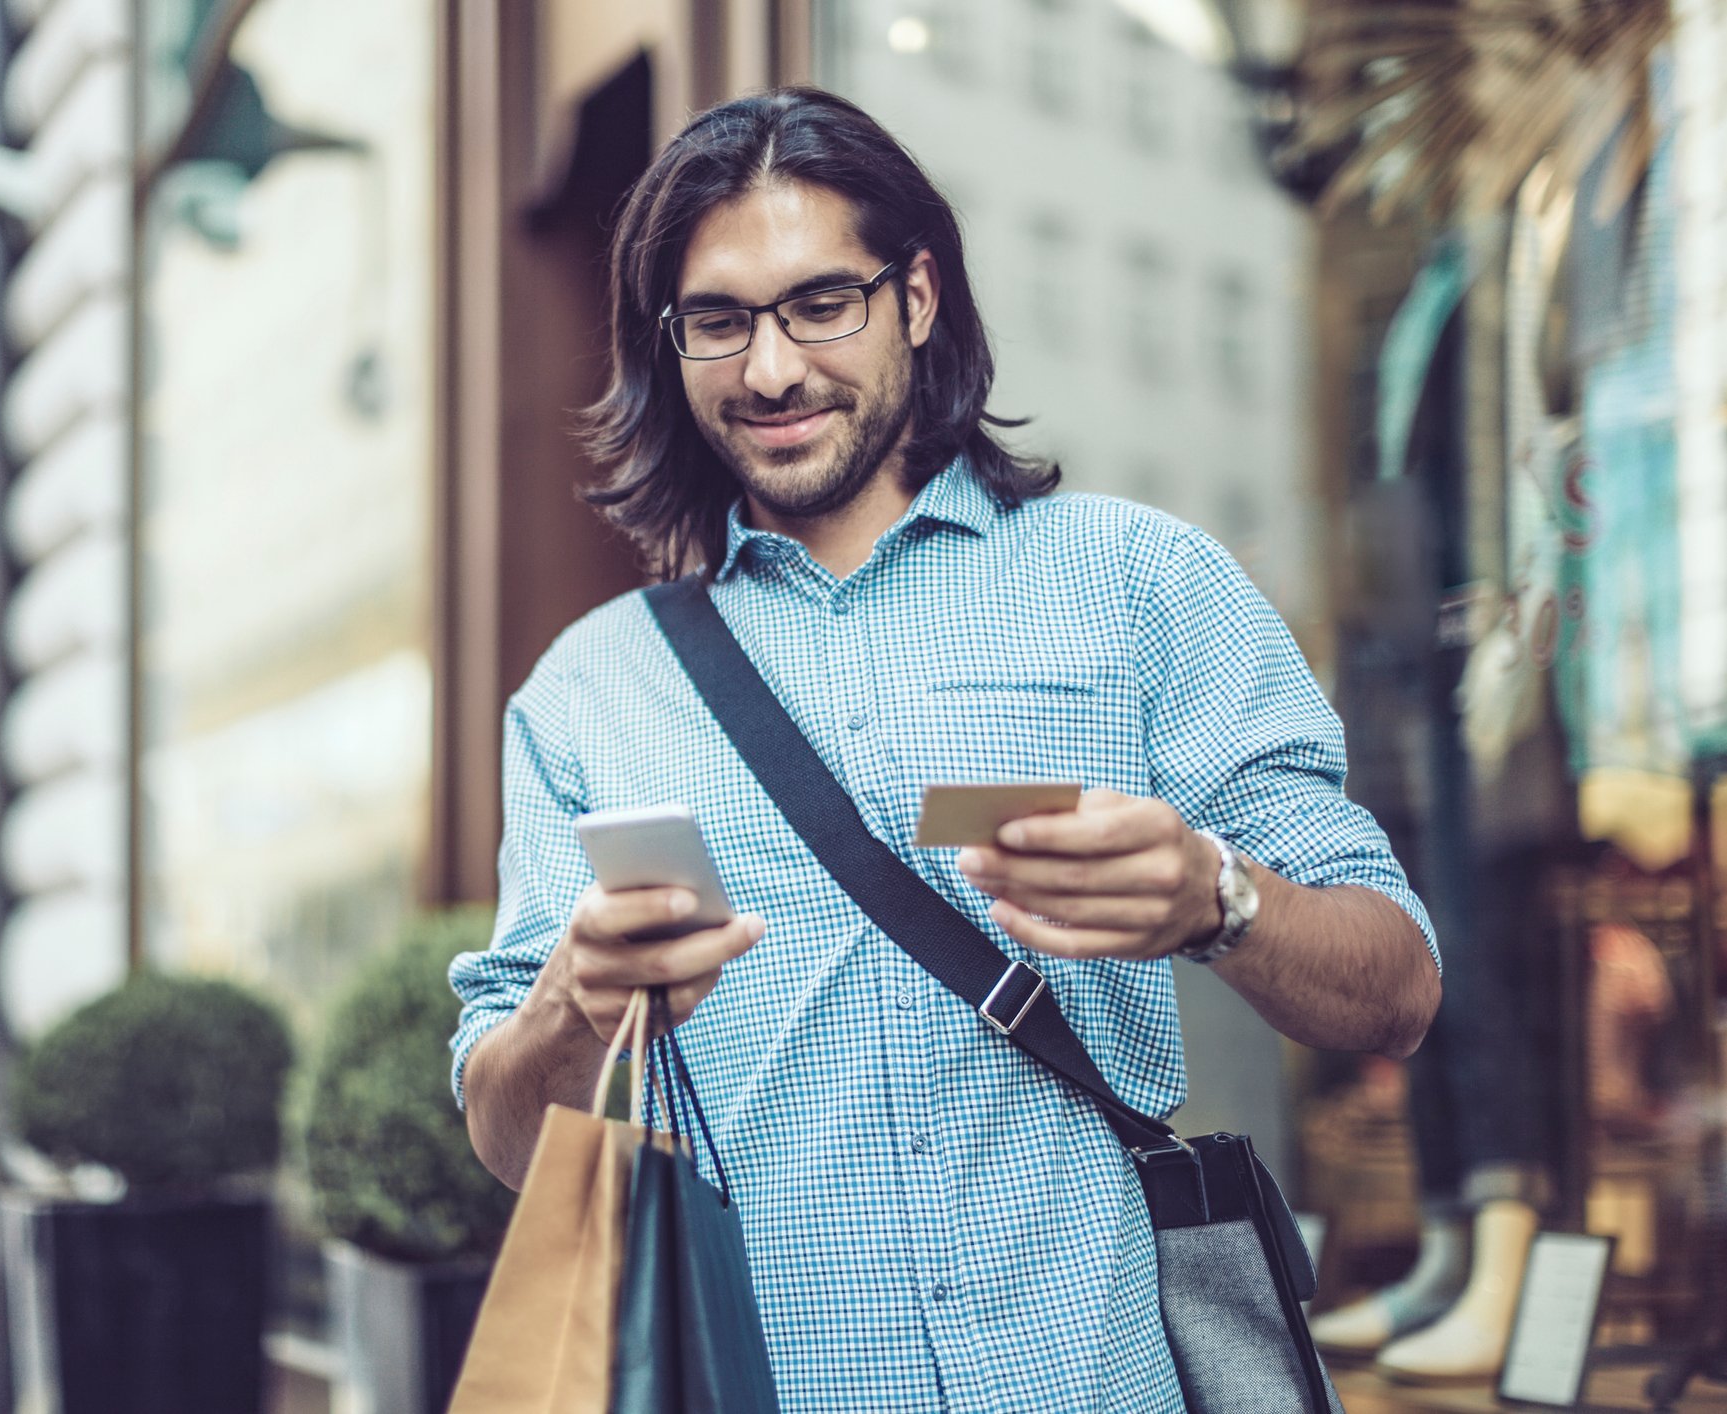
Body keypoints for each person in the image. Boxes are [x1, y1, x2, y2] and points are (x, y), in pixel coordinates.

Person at [449, 87, 1441, 1412]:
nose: (771, 369)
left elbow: (1398, 988)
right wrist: (572, 1005)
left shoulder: (1135, 584)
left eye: (820, 303)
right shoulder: (586, 694)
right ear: (667, 342)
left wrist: (1220, 898)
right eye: (720, 320)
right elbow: (511, 1141)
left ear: (915, 294)